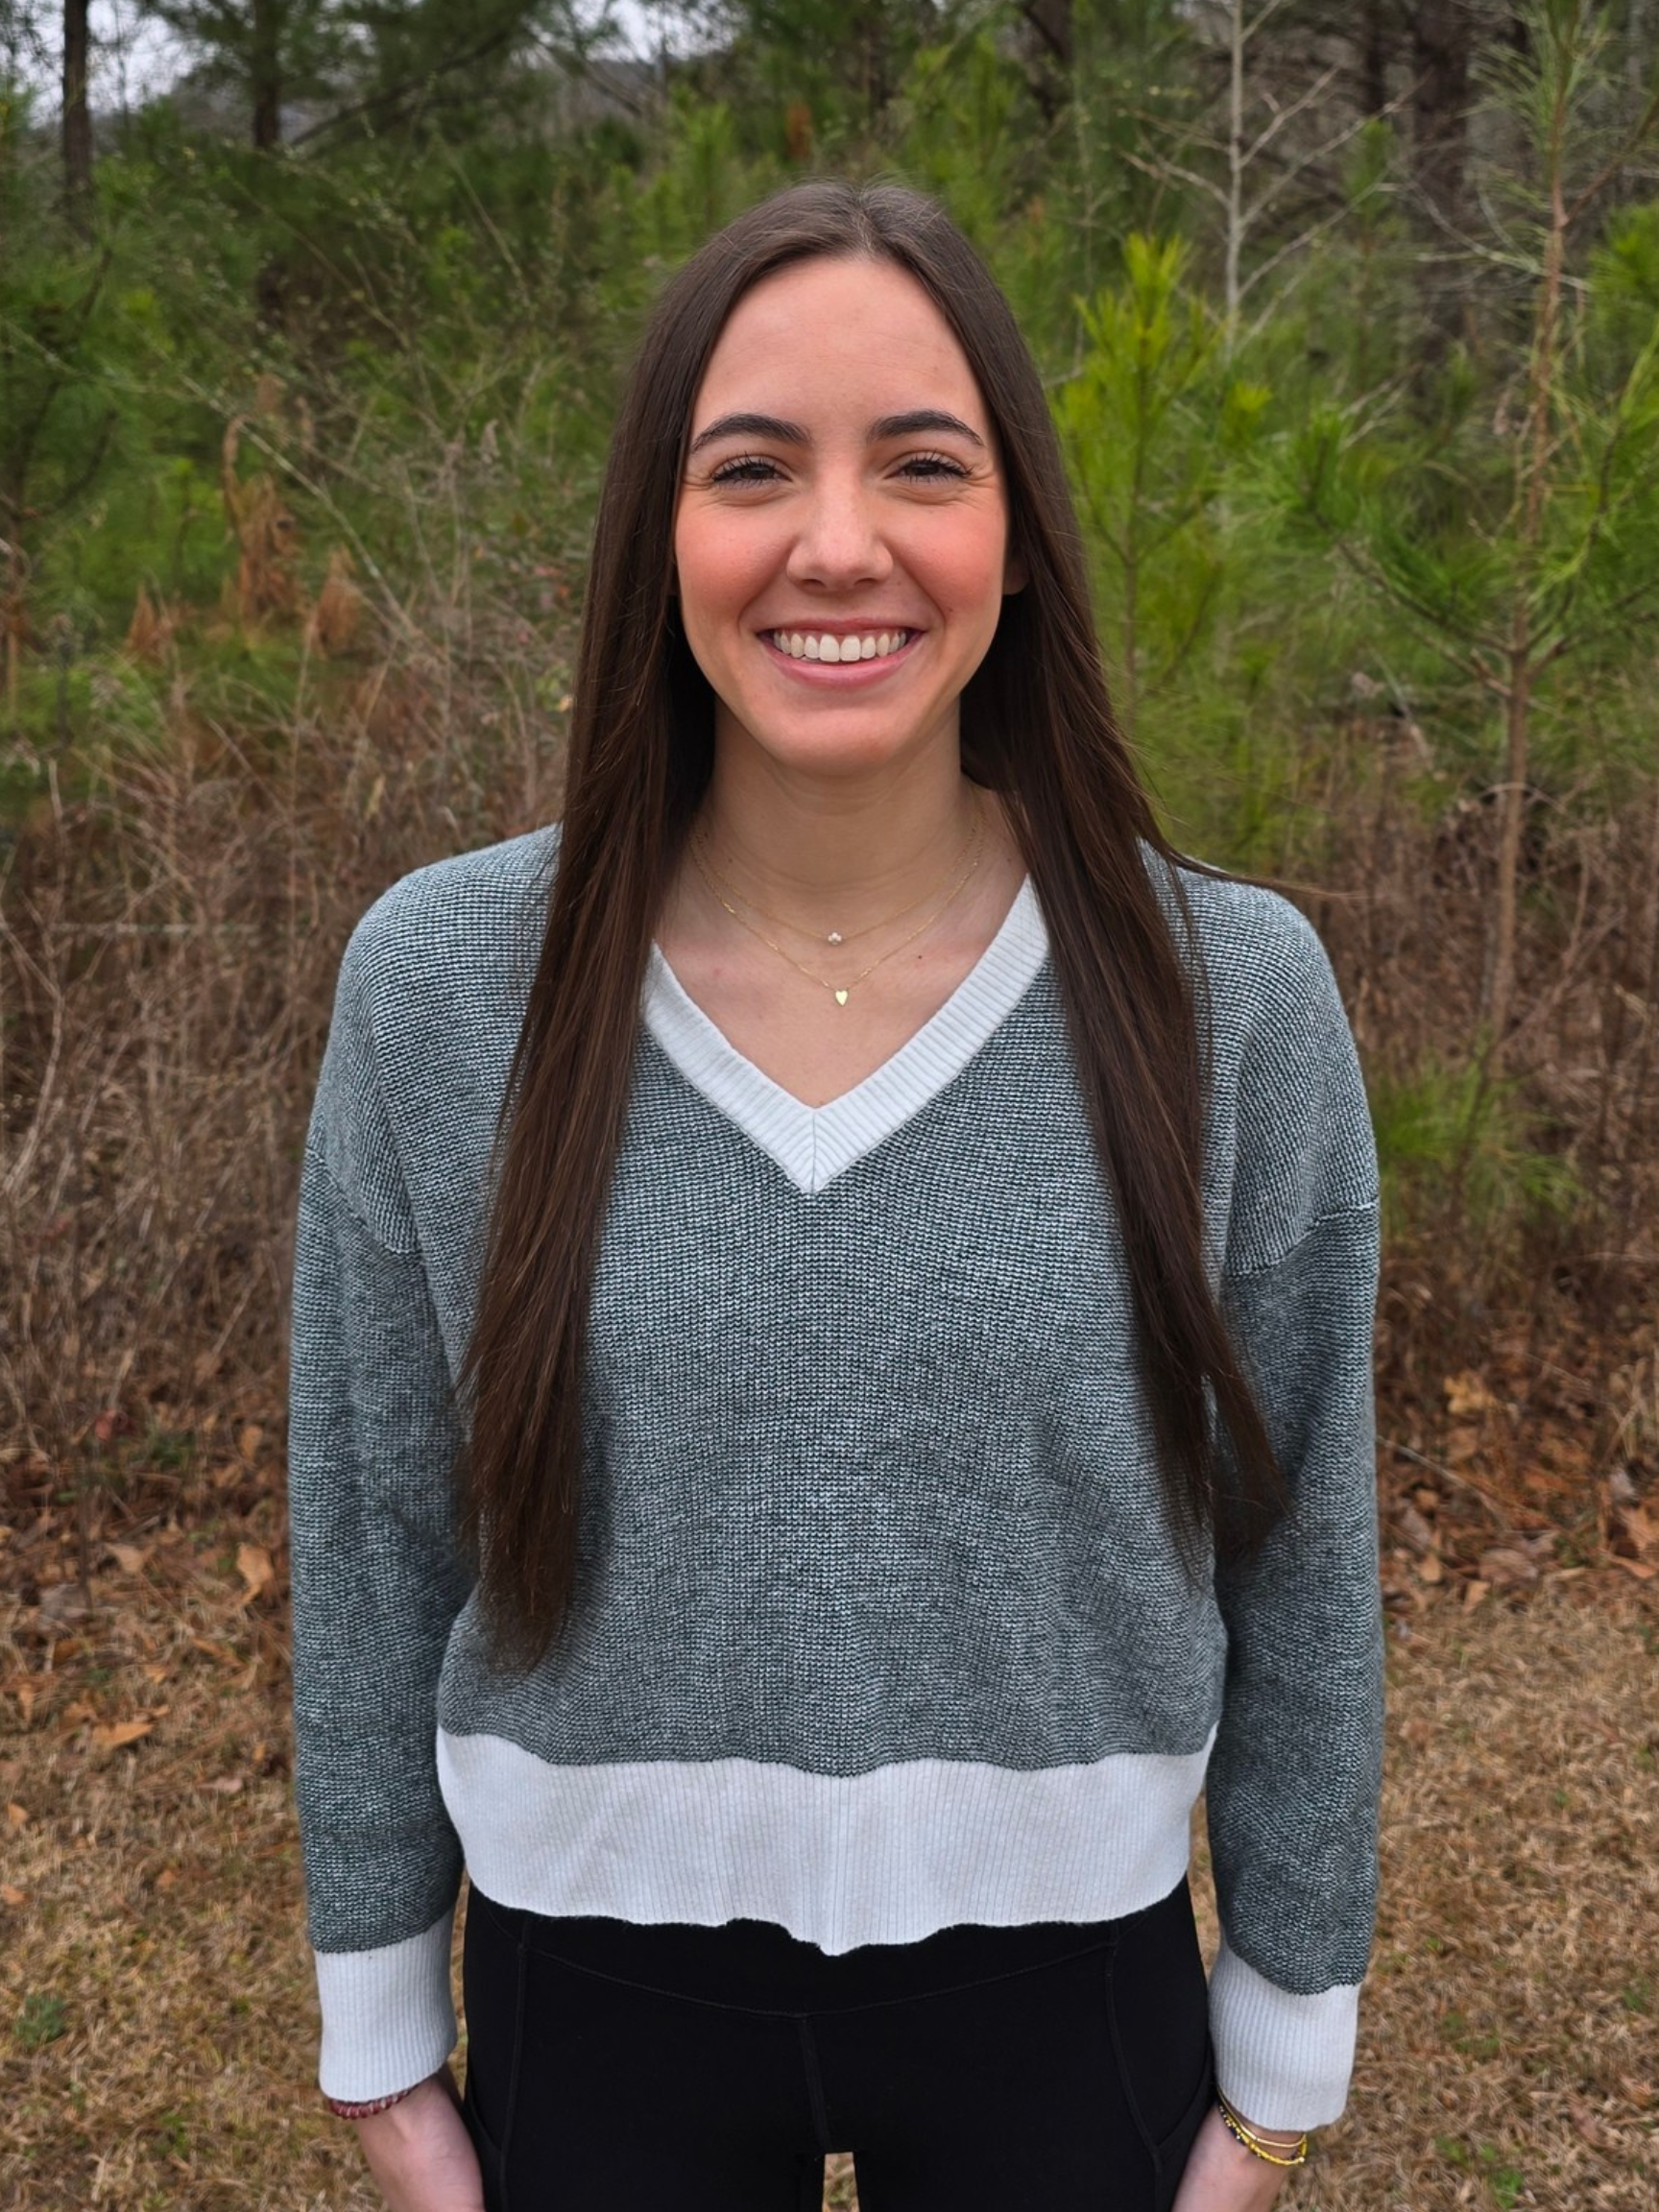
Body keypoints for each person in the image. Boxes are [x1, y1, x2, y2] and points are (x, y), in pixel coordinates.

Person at [286, 179, 1383, 2212]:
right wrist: (378, 2046)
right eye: (753, 469)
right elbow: (371, 1522)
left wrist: (1278, 2073)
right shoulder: (444, 987)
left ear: (1021, 539)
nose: (839, 543)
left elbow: (1301, 1549)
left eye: (924, 467)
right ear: (660, 536)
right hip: (583, 2014)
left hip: (1082, 2021)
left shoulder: (1232, 995)